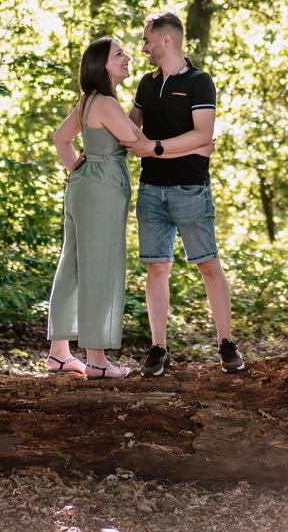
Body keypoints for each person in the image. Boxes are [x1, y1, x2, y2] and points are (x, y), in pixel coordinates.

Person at [43, 36, 211, 380]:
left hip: (84, 189)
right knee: (100, 269)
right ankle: (96, 361)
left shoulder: (88, 100)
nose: (127, 57)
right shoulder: (106, 103)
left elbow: (61, 139)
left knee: (73, 265)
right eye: (118, 54)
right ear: (101, 66)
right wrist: (197, 147)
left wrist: (77, 170)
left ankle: (59, 354)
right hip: (102, 192)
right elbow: (139, 144)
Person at [121, 12, 245, 375]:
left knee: (208, 264)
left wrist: (156, 148)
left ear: (166, 40)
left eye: (147, 41)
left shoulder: (198, 81)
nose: (143, 48)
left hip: (191, 190)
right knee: (157, 268)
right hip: (150, 191)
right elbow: (129, 130)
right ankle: (158, 348)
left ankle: (226, 343)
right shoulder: (146, 83)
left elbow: (202, 134)